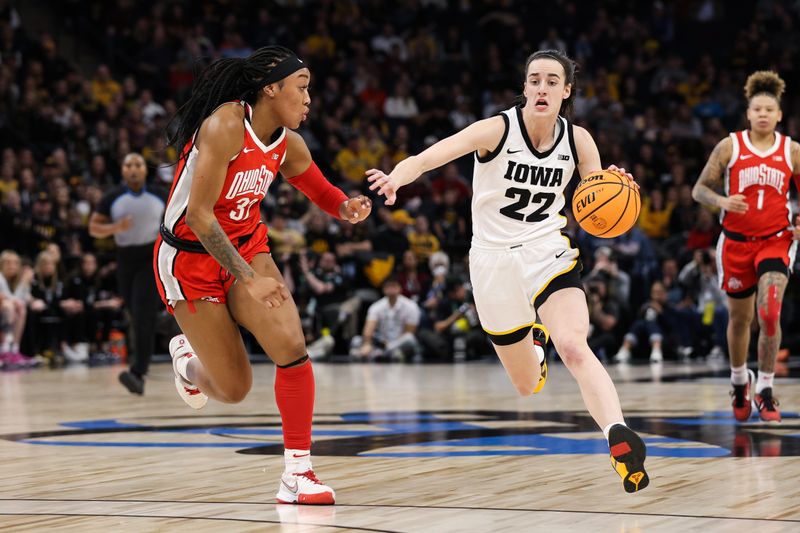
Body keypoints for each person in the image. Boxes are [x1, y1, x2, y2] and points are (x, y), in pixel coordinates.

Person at [367, 49, 649, 493]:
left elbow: (596, 199)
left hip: (546, 252)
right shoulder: (496, 129)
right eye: (534, 79)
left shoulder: (579, 141)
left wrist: (613, 186)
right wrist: (397, 178)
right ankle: (534, 351)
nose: (542, 88)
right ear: (524, 87)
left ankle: (617, 433)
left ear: (566, 91)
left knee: (574, 345)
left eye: (552, 81)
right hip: (491, 261)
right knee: (524, 386)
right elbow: (429, 157)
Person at [154, 46, 372, 505]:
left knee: (292, 347)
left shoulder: (288, 143)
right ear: (271, 88)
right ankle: (188, 363)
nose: (310, 97)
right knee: (234, 389)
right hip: (188, 257)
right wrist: (248, 278)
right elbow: (198, 216)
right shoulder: (225, 126)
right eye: (302, 86)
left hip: (247, 247)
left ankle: (298, 474)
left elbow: (319, 188)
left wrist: (344, 208)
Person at [692, 71, 800, 423]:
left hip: (775, 241)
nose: (764, 114)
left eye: (770, 109)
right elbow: (699, 190)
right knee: (741, 320)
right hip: (735, 244)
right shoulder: (731, 146)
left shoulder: (792, 150)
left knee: (769, 312)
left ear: (779, 115)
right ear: (749, 114)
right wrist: (722, 201)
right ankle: (740, 381)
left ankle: (765, 389)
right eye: (758, 109)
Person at [89, 153, 166, 394]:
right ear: (122, 170)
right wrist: (115, 227)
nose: (133, 169)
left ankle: (138, 372)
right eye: (128, 165)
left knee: (142, 315)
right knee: (137, 315)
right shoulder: (112, 197)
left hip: (150, 258)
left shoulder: (160, 195)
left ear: (145, 170)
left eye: (138, 165)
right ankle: (175, 327)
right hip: (125, 259)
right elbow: (93, 228)